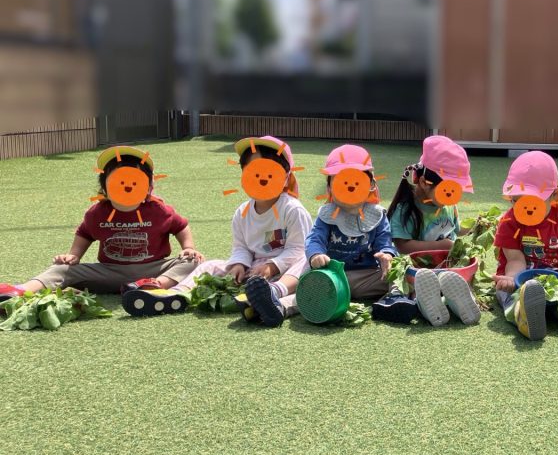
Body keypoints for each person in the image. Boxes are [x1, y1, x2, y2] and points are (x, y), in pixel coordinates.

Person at [121, 136, 311, 324]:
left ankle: (272, 294)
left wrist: (272, 266)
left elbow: (298, 249)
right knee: (209, 266)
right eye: (254, 171)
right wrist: (239, 264)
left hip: (286, 274)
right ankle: (176, 295)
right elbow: (241, 247)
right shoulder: (242, 212)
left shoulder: (292, 209)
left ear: (286, 178)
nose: (262, 178)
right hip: (253, 272)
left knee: (306, 261)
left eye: (270, 172)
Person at [0, 146, 200, 303]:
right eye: (119, 181)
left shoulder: (159, 209)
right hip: (109, 271)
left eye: (135, 181)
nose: (127, 186)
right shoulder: (98, 212)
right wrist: (73, 255)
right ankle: (22, 290)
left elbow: (180, 226)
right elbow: (85, 233)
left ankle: (153, 286)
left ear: (149, 187)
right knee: (61, 268)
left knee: (194, 261)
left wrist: (188, 248)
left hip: (153, 268)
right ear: (105, 187)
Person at [247, 144, 398, 326]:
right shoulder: (328, 215)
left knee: (399, 273)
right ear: (329, 188)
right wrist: (316, 254)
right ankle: (279, 306)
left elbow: (385, 241)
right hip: (330, 275)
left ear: (371, 185)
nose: (350, 187)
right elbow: (315, 238)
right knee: (310, 291)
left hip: (366, 276)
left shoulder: (377, 215)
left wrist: (387, 254)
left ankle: (394, 300)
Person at [376, 135, 480, 326]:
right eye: (449, 190)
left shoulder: (449, 205)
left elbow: (457, 230)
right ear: (424, 182)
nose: (453, 197)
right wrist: (441, 245)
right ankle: (425, 303)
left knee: (461, 276)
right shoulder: (406, 209)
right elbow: (403, 246)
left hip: (447, 266)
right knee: (411, 282)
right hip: (417, 269)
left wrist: (477, 225)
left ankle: (460, 301)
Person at [493, 151, 558, 341]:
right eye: (516, 200)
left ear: (554, 195)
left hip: (553, 281)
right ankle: (522, 316)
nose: (525, 208)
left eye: (533, 201)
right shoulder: (508, 222)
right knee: (509, 295)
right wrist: (511, 279)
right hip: (517, 280)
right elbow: (514, 259)